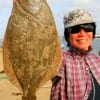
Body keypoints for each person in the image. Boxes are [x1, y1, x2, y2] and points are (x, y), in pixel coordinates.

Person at [50, 9, 100, 100]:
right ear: (67, 35)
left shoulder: (97, 59)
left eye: (88, 27)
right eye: (75, 29)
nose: (82, 33)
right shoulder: (60, 59)